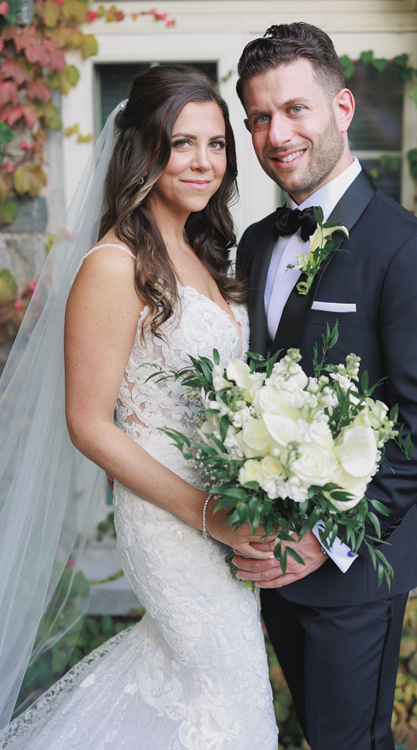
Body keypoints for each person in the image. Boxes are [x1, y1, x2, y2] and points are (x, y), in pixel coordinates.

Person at [0, 66, 278, 747]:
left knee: (215, 691)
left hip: (225, 510)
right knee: (219, 694)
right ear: (144, 149)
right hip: (169, 516)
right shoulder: (114, 263)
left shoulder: (205, 253)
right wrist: (206, 513)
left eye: (216, 145)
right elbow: (89, 423)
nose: (203, 162)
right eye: (183, 143)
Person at [230, 23, 417, 750]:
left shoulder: (411, 253)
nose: (277, 134)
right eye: (260, 118)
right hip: (268, 561)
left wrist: (323, 536)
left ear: (342, 108)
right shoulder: (256, 243)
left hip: (354, 568)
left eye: (295, 110)